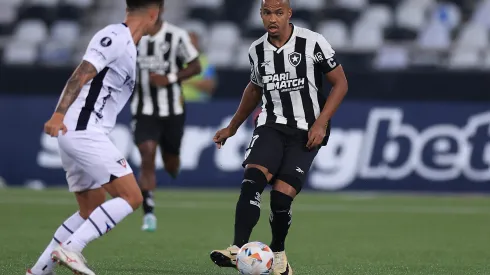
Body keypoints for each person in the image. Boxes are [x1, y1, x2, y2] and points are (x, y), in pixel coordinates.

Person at [209, 0, 348, 274]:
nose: (273, 18)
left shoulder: (313, 42)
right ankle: (237, 248)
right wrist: (233, 126)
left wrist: (321, 123)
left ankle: (279, 252)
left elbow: (340, 83)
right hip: (271, 124)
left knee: (281, 199)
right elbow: (254, 88)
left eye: (279, 13)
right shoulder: (257, 50)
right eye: (267, 13)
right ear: (261, 15)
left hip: (307, 130)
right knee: (252, 180)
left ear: (289, 14)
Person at [27, 1, 163, 274]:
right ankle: (72, 248)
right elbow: (81, 73)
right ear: (153, 13)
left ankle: (40, 270)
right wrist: (58, 115)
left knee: (90, 208)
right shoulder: (114, 36)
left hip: (78, 131)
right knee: (131, 197)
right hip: (82, 129)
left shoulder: (127, 45)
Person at [130, 11, 201, 232]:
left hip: (172, 111)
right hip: (143, 110)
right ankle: (149, 213)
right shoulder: (131, 35)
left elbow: (195, 66)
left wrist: (169, 78)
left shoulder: (177, 35)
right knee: (147, 152)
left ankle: (172, 163)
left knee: (171, 163)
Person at [182, 32, 217, 102]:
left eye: (192, 43)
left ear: (197, 44)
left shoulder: (206, 62)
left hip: (198, 104)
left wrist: (187, 81)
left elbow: (209, 86)